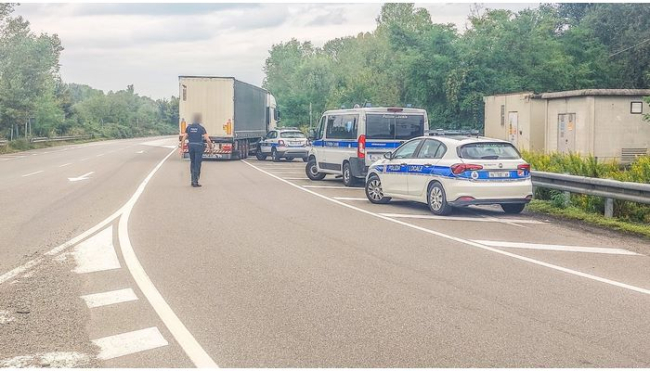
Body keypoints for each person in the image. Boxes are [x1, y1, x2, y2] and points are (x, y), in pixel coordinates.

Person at [180, 113, 213, 187]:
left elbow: (183, 139)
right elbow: (208, 140)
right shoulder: (201, 128)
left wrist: (181, 149)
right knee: (197, 164)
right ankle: (196, 181)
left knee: (192, 163)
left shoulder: (188, 127)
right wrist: (210, 148)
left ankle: (192, 180)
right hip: (198, 146)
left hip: (191, 146)